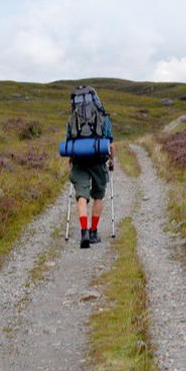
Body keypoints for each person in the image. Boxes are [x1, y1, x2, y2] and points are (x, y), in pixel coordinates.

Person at [66, 86, 115, 249]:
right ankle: (94, 232)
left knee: (82, 195)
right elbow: (111, 144)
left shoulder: (73, 117)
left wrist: (71, 159)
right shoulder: (103, 118)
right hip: (98, 161)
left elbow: (69, 141)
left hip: (79, 161)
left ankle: (84, 231)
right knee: (98, 196)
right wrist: (111, 161)